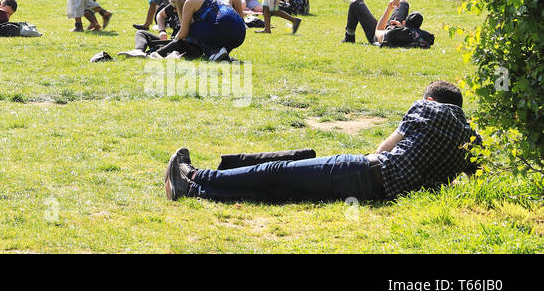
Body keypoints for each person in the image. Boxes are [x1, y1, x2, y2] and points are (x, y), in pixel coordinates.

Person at [165, 81, 482, 203]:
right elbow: (476, 177)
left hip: (366, 170)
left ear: (430, 97)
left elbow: (387, 146)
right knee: (283, 192)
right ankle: (197, 191)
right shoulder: (470, 136)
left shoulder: (427, 107)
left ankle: (195, 176)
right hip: (378, 195)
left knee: (279, 171)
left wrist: (367, 158)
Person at [165, 0, 247, 61]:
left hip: (224, 29)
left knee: (191, 28)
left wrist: (174, 41)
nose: (175, 10)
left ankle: (213, 52)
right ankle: (221, 54)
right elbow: (228, 2)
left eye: (175, 7)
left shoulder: (189, 2)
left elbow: (183, 33)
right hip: (241, 33)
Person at [343, 0, 432, 46]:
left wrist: (388, 9)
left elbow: (378, 30)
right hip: (398, 28)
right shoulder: (422, 36)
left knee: (356, 2)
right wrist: (401, 27)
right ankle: (395, 3)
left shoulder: (390, 35)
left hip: (378, 33)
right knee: (402, 1)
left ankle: (349, 37)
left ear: (405, 21)